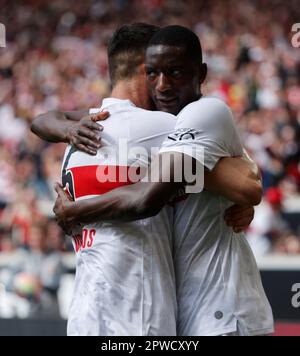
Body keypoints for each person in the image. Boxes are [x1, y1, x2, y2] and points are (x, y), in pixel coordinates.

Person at [32, 25, 270, 336]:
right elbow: (247, 183)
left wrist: (66, 134)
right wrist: (247, 193)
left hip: (85, 316)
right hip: (142, 315)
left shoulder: (81, 132)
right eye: (155, 72)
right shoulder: (163, 126)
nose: (162, 85)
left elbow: (41, 121)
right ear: (145, 70)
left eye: (172, 71)